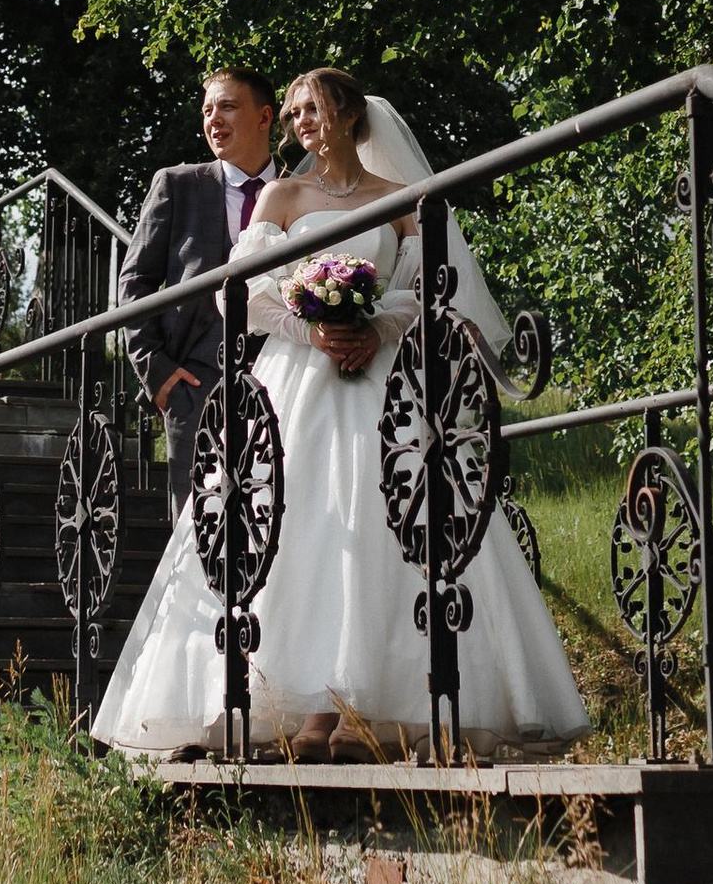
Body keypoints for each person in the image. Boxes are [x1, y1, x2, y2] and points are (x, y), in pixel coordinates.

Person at [94, 66, 587, 763]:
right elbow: (241, 294)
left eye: (313, 109)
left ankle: (402, 709)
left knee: (394, 522)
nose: (301, 123)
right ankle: (310, 716)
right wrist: (311, 330)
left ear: (352, 117)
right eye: (293, 112)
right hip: (299, 380)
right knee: (307, 527)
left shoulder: (401, 199)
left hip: (383, 379)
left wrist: (377, 328)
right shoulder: (282, 195)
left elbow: (428, 293)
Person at [119, 67, 280, 519]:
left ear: (264, 116)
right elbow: (135, 282)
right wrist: (158, 373)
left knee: (281, 518)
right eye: (207, 110)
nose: (214, 120)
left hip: (287, 374)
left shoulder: (299, 190)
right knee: (199, 527)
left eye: (228, 106)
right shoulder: (177, 185)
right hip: (195, 383)